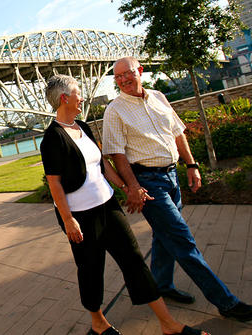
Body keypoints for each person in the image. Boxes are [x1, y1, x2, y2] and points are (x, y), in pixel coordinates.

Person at [40, 74, 210, 335]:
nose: (81, 98)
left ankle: (168, 324)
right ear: (65, 98)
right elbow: (55, 184)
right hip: (81, 218)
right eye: (77, 94)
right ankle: (98, 322)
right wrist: (68, 220)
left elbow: (102, 164)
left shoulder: (82, 127)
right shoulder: (52, 138)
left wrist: (127, 188)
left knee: (134, 261)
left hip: (108, 207)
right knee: (91, 269)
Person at [102, 57, 252, 322]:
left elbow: (178, 134)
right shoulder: (115, 110)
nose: (123, 80)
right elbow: (117, 155)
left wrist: (192, 164)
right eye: (117, 77)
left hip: (171, 176)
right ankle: (225, 302)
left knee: (164, 237)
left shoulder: (158, 96)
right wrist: (132, 187)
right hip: (148, 182)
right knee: (182, 241)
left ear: (140, 71)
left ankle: (162, 285)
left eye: (127, 74)